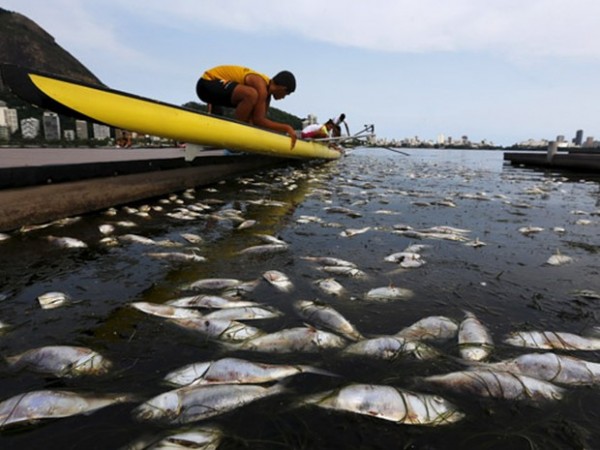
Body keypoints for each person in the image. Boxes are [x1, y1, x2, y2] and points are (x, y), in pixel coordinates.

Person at [196, 65, 297, 149]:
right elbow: (259, 120)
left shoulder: (266, 95)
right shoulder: (261, 85)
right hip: (206, 84)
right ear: (282, 88)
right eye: (286, 94)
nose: (283, 98)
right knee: (251, 94)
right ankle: (238, 135)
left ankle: (222, 133)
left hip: (219, 92)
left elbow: (260, 122)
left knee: (252, 107)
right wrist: (287, 128)